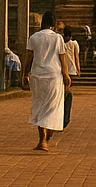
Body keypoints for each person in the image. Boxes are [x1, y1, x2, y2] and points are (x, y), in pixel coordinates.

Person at [23, 12, 70, 150]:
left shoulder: (34, 37)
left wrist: (25, 73)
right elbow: (62, 58)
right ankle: (49, 131)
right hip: (54, 76)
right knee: (53, 106)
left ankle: (42, 139)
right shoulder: (58, 38)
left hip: (37, 76)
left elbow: (29, 57)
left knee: (39, 106)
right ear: (54, 25)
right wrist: (66, 75)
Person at [59, 20, 80, 127]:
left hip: (71, 68)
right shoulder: (60, 43)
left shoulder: (74, 43)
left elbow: (76, 56)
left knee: (67, 89)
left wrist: (78, 68)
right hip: (63, 68)